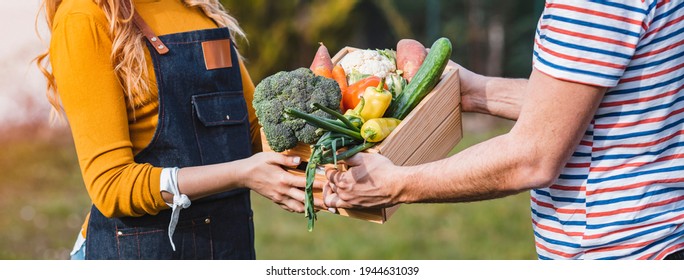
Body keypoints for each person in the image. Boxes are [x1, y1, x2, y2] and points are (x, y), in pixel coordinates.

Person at [324, 0, 684, 260]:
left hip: (621, 252)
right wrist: (475, 92)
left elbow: (532, 158)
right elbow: (580, 104)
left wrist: (396, 184)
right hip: (662, 237)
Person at [36, 0, 322, 260]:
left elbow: (252, 133)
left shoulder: (200, 9)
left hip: (227, 251)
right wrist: (241, 173)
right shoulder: (83, 17)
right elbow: (111, 186)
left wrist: (338, 157)